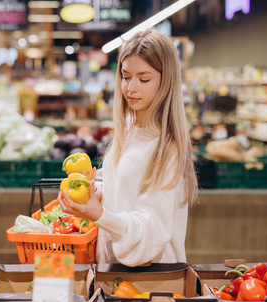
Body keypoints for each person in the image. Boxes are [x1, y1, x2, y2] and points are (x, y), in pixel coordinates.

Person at [58, 28, 198, 266]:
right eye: (125, 76)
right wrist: (97, 193)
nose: (131, 88)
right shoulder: (133, 127)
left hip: (153, 285)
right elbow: (126, 192)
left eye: (144, 79)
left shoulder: (167, 147)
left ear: (166, 81)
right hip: (120, 278)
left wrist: (99, 215)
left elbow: (151, 232)